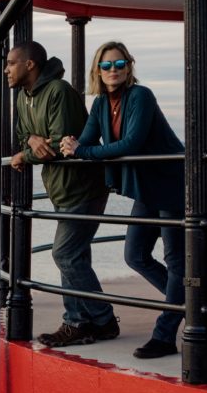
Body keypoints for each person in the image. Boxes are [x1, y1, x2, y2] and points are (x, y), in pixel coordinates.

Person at [54, 41, 185, 359]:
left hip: (172, 183)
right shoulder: (100, 103)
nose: (114, 70)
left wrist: (82, 151)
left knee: (177, 262)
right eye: (107, 65)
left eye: (120, 63)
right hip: (146, 188)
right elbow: (85, 140)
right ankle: (191, 302)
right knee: (135, 255)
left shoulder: (140, 95)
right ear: (97, 70)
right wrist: (68, 143)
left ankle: (165, 334)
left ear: (129, 67)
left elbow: (131, 144)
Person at [2, 39, 114, 347]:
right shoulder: (24, 97)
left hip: (83, 187)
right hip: (63, 192)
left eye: (11, 63)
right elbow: (25, 135)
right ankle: (83, 323)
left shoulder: (59, 92)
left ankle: (99, 320)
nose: (6, 69)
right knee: (74, 256)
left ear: (29, 64)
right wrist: (32, 141)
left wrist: (26, 155)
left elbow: (60, 144)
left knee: (64, 253)